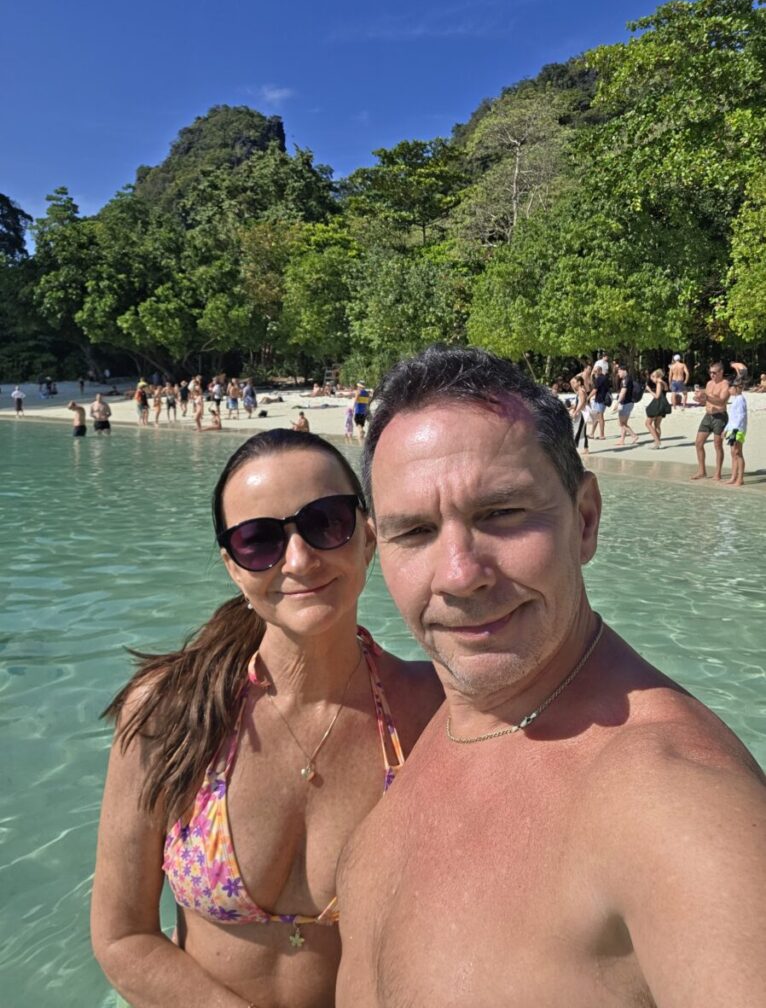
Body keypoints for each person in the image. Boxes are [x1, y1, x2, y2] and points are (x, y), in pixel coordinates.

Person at [335, 345, 766, 1008]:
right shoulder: (431, 729)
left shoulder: (676, 803)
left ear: (585, 519)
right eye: (414, 531)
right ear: (376, 548)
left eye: (501, 513)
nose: (460, 574)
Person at [91, 429, 442, 1008]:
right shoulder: (170, 712)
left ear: (368, 536)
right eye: (258, 541)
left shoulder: (434, 711)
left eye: (326, 522)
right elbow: (123, 936)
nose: (299, 560)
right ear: (233, 567)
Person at [692, 362, 730, 481]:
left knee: (717, 445)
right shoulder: (709, 383)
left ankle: (717, 473)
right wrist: (700, 399)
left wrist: (707, 397)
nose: (712, 375)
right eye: (710, 372)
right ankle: (702, 471)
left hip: (720, 416)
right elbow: (706, 401)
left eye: (714, 373)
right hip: (708, 416)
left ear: (721, 372)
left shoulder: (725, 384)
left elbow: (722, 401)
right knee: (698, 443)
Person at [723, 378, 748, 487]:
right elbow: (732, 418)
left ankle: (740, 479)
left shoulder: (741, 399)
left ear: (736, 388)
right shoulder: (735, 399)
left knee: (738, 453)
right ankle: (733, 477)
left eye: (730, 388)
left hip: (737, 430)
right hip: (732, 429)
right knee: (733, 453)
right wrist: (726, 429)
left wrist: (734, 431)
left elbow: (741, 417)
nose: (729, 390)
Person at [643, 368, 671, 449]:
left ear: (658, 377)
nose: (651, 378)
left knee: (648, 423)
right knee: (657, 425)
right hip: (663, 404)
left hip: (658, 404)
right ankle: (657, 443)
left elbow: (657, 396)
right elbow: (666, 389)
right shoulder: (663, 383)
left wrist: (649, 390)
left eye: (653, 376)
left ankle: (657, 441)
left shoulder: (659, 383)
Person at [614, 365, 639, 445]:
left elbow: (623, 393)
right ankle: (622, 440)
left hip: (625, 403)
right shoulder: (629, 379)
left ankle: (634, 435)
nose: (618, 374)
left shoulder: (626, 380)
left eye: (619, 372)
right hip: (630, 403)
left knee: (621, 423)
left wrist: (617, 403)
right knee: (624, 423)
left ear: (624, 371)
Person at [587, 365, 610, 440]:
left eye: (596, 371)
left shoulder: (599, 379)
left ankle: (602, 435)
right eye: (594, 371)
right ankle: (592, 433)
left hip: (600, 400)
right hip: (602, 399)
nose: (595, 372)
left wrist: (588, 397)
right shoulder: (604, 377)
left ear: (600, 371)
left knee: (600, 417)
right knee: (597, 417)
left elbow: (595, 389)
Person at [568, 375, 589, 455]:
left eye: (575, 383)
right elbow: (579, 401)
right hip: (581, 412)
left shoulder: (581, 391)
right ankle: (585, 448)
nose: (573, 384)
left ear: (579, 383)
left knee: (579, 430)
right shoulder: (580, 390)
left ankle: (573, 448)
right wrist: (572, 408)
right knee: (581, 430)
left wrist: (576, 411)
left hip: (582, 413)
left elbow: (582, 402)